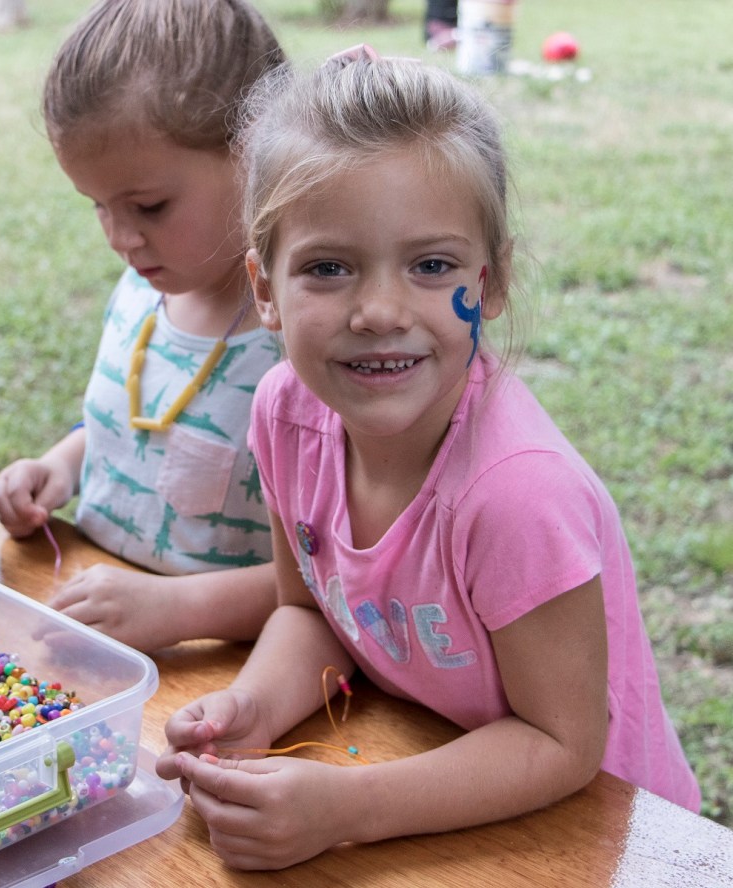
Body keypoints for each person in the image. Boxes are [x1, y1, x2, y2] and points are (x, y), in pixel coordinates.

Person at [155, 55, 701, 870]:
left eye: (432, 266)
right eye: (328, 268)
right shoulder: (285, 417)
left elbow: (562, 743)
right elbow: (315, 615)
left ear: (493, 280)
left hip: (602, 843)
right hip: (433, 784)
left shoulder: (517, 494)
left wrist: (347, 807)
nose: (380, 311)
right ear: (264, 287)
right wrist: (252, 710)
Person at [0, 0, 286, 653]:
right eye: (98, 206)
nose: (120, 238)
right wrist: (62, 465)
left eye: (149, 206)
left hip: (224, 674)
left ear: (256, 151)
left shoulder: (301, 346)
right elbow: (141, 431)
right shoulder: (142, 289)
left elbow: (344, 579)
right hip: (100, 641)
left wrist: (182, 609)